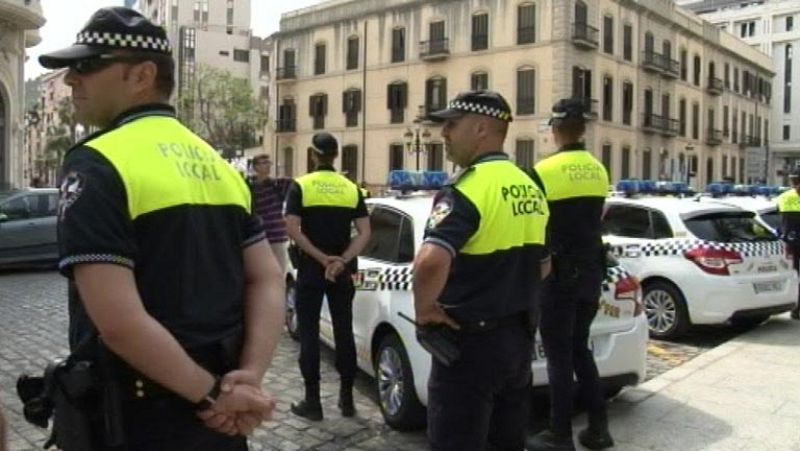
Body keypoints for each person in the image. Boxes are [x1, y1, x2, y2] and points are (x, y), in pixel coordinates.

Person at [38, 7, 285, 450]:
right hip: (218, 419)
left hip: (134, 419)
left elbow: (119, 321)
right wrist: (247, 378)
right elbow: (266, 277)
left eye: (88, 65)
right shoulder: (219, 165)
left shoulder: (96, 162)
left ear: (142, 75)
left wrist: (213, 395)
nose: (73, 78)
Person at [413, 90, 550, 451]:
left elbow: (429, 262)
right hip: (517, 343)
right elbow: (545, 264)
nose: (444, 133)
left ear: (481, 129)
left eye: (452, 125)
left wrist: (425, 310)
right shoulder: (531, 186)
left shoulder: (467, 189)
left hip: (469, 346)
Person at [527, 98, 613, 451]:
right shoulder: (599, 169)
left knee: (559, 355)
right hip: (592, 270)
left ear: (556, 129)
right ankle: (599, 429)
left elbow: (534, 225)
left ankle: (559, 432)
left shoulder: (544, 171)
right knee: (581, 349)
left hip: (559, 275)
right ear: (583, 129)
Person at [285, 133, 371, 421]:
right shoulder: (351, 188)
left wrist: (321, 259)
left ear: (313, 154)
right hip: (343, 271)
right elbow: (365, 233)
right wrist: (341, 260)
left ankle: (313, 402)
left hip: (311, 268)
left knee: (308, 333)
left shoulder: (302, 185)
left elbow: (293, 229)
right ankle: (347, 400)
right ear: (336, 155)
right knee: (344, 331)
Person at [249, 154, 293, 274]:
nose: (268, 165)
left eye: (269, 163)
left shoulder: (278, 184)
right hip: (259, 237)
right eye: (263, 163)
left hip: (278, 237)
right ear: (255, 167)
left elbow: (299, 185)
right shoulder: (249, 187)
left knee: (280, 273)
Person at [776, 168, 800, 320]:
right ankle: (796, 308)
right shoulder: (785, 197)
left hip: (789, 242)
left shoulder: (783, 196)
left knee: (794, 276)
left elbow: (779, 216)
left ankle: (795, 308)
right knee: (794, 277)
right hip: (792, 243)